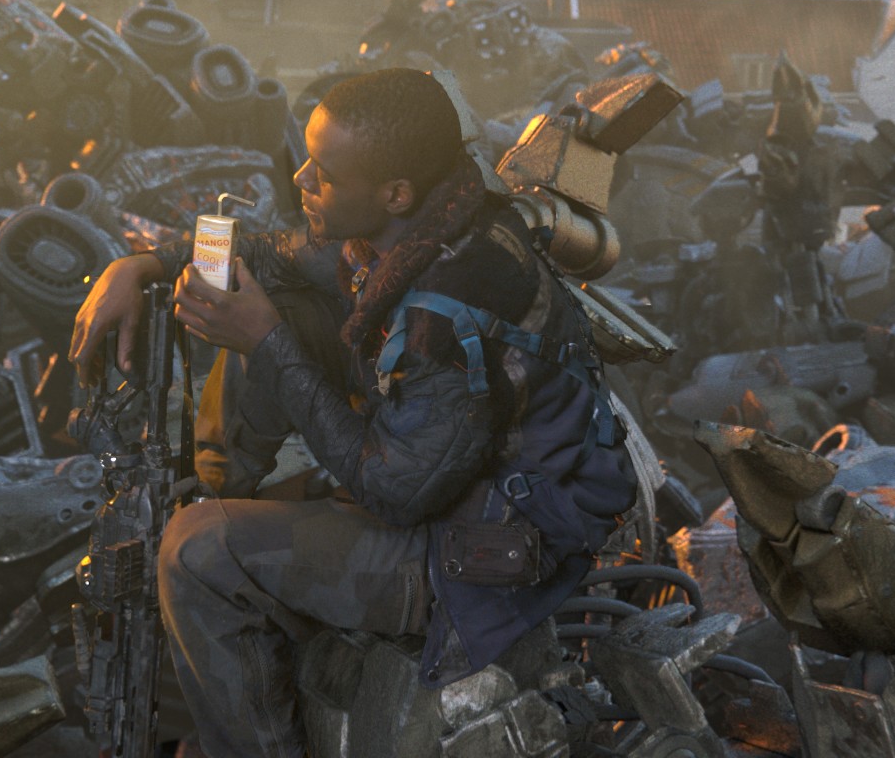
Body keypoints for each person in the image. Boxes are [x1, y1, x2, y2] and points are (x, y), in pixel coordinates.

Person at [69, 68, 636, 757]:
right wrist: (140, 266)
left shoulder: (446, 312)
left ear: (395, 193)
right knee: (280, 303)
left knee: (195, 550)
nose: (302, 179)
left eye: (325, 174)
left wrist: (266, 342)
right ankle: (236, 513)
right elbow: (277, 256)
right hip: (450, 480)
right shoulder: (427, 220)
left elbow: (395, 491)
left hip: (484, 552)